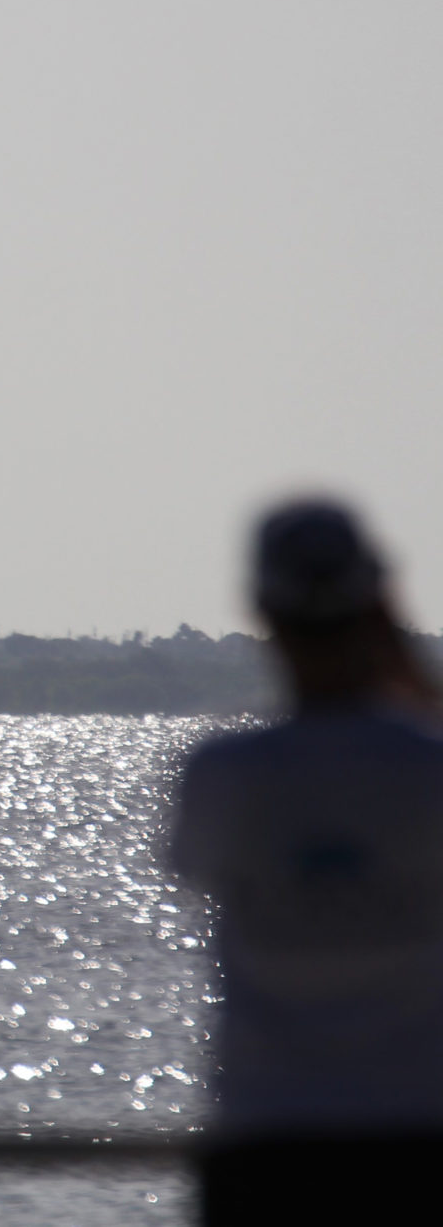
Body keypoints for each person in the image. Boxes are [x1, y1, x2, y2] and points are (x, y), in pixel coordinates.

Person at [170, 500, 443, 1224]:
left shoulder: (222, 774)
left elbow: (195, 868)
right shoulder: (429, 770)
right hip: (413, 1137)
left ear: (261, 607)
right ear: (377, 606)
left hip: (267, 1144)